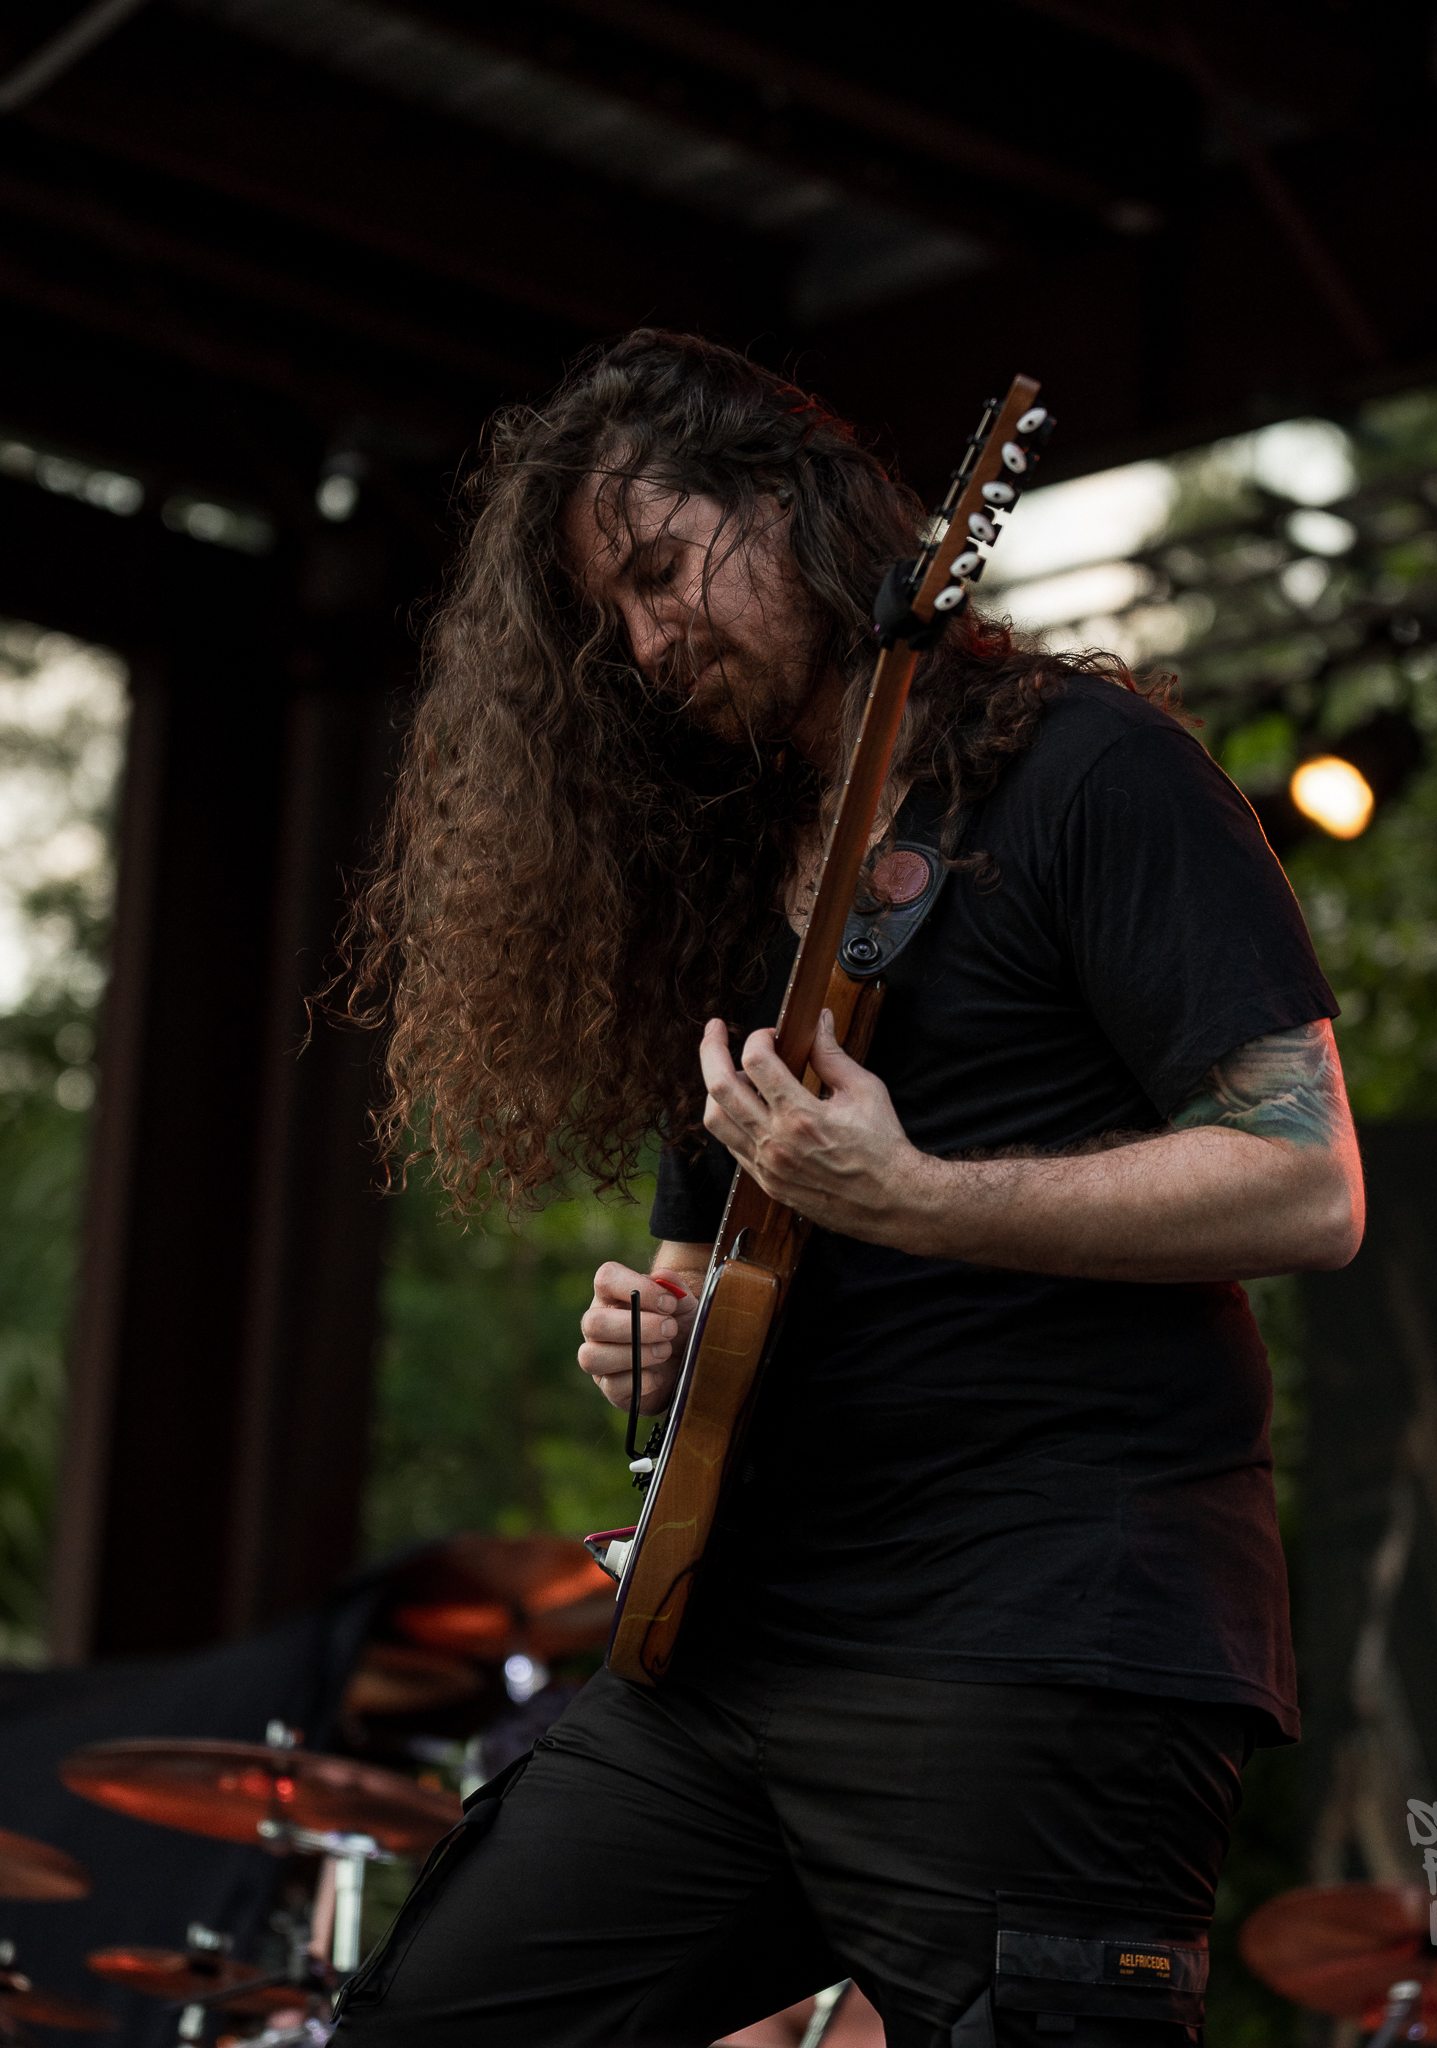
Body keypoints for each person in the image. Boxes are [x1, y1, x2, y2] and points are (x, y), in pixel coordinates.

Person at [334, 330, 1364, 2048]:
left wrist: (923, 1198)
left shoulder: (1087, 772)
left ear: (790, 504)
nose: (653, 642)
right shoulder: (732, 888)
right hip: (732, 1661)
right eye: (613, 623)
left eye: (664, 570)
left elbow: (1301, 1182)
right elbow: (704, 1276)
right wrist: (654, 1343)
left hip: (1037, 1640)